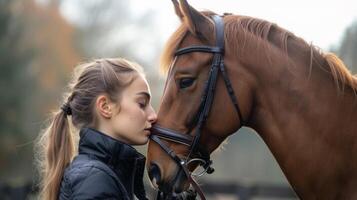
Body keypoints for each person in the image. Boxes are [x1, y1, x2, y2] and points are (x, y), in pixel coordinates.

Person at [36, 58, 157, 200]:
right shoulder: (94, 179)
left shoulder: (102, 175)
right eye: (142, 104)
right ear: (105, 107)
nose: (153, 115)